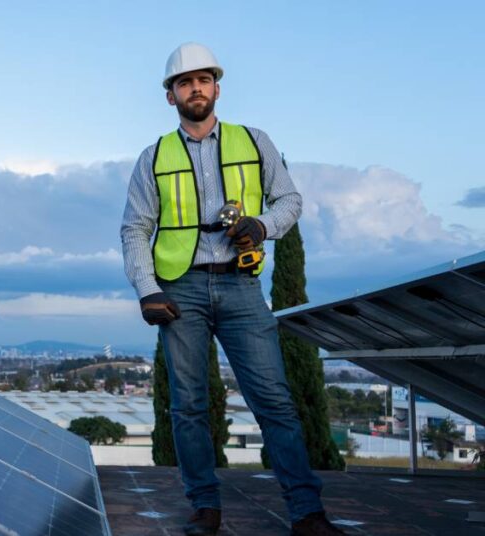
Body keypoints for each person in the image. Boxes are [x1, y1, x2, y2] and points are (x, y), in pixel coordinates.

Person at [120, 43, 345, 536]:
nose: (195, 88)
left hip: (242, 287)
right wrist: (146, 288)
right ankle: (206, 509)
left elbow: (290, 199)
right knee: (189, 406)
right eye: (184, 82)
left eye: (203, 80)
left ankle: (307, 513)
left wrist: (263, 226)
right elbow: (135, 228)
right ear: (170, 96)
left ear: (217, 87)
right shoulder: (153, 157)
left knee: (275, 401)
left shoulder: (254, 140)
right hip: (180, 291)